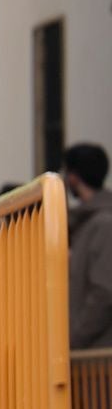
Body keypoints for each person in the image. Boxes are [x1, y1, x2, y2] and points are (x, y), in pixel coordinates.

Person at [63, 143, 112, 349]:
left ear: (73, 176)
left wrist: (74, 337)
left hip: (98, 356)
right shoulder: (84, 223)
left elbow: (104, 292)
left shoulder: (103, 224)